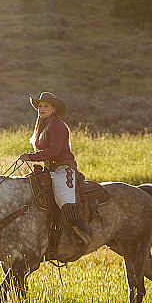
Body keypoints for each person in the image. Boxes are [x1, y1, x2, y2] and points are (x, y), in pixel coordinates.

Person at [19, 92, 91, 247]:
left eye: (46, 106)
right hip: (50, 169)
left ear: (53, 109)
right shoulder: (42, 125)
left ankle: (79, 230)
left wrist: (31, 157)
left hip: (64, 168)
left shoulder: (57, 125)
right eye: (40, 106)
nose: (42, 108)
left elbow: (54, 151)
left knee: (63, 196)